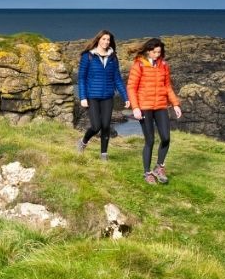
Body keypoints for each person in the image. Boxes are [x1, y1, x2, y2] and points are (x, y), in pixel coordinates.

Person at [126, 38, 182, 185]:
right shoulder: (139, 65)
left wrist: (175, 104)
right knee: (149, 140)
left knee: (166, 138)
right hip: (144, 107)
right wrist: (135, 107)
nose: (157, 54)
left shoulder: (163, 65)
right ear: (148, 51)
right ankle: (147, 173)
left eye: (159, 52)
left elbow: (168, 86)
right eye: (155, 52)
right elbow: (131, 88)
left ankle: (159, 167)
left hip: (161, 106)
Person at [76, 30, 130, 160]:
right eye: (104, 39)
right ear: (98, 39)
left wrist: (126, 97)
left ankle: (104, 155)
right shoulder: (88, 56)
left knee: (106, 126)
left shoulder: (113, 57)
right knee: (96, 126)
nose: (106, 42)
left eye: (108, 40)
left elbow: (117, 79)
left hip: (107, 96)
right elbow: (81, 78)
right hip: (92, 96)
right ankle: (83, 142)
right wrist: (82, 97)